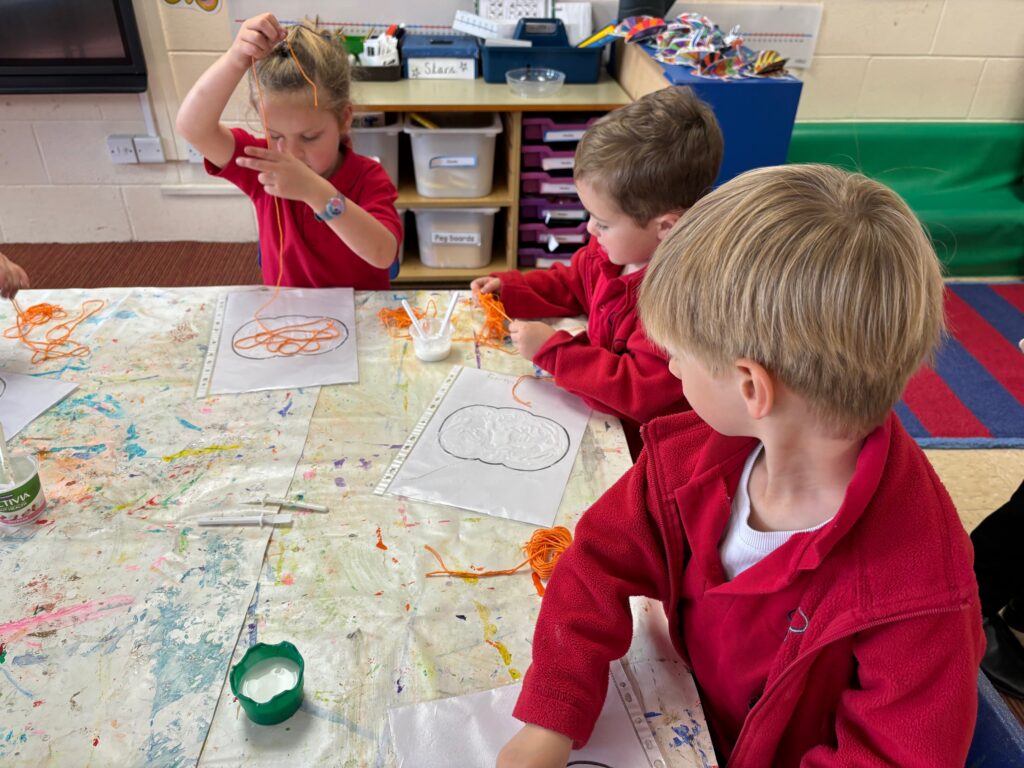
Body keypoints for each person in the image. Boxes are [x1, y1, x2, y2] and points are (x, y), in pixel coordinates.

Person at [498, 164, 985, 768]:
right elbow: (596, 557)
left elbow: (898, 757)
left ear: (752, 387)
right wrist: (553, 712)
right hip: (685, 713)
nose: (670, 371)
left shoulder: (919, 589)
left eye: (675, 355)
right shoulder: (692, 455)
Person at [471, 87, 722, 447]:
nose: (589, 229)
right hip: (598, 417)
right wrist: (510, 290)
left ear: (666, 227)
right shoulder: (613, 250)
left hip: (641, 445)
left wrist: (554, 351)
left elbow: (637, 390)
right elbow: (574, 283)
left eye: (602, 222)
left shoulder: (678, 302)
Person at [176, 13, 401, 290]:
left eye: (309, 137)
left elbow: (383, 254)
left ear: (344, 119)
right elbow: (193, 127)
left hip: (359, 319)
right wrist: (236, 59)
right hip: (289, 323)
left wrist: (315, 191)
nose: (291, 153)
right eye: (275, 135)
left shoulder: (369, 177)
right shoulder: (264, 166)